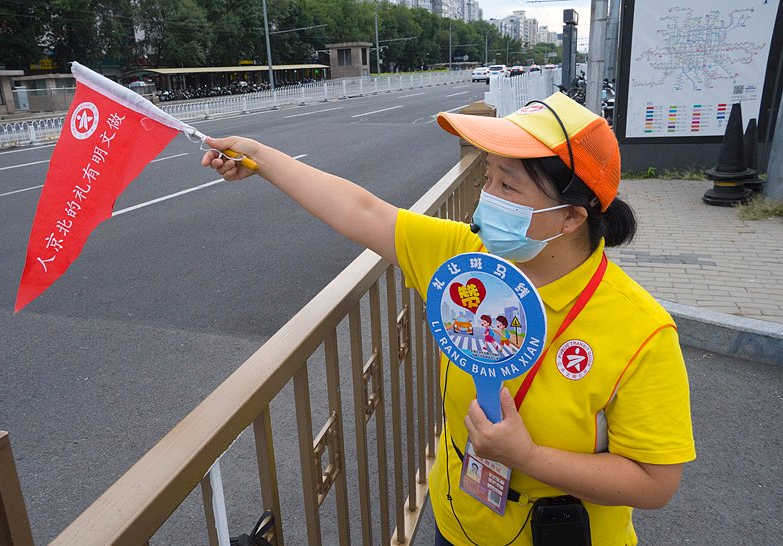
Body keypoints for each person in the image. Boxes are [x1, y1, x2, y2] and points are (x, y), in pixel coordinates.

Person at [202, 92, 696, 546]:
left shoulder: (641, 330)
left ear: (571, 217)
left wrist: (528, 458)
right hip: (456, 521)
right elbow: (361, 211)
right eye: (488, 177)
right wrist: (259, 157)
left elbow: (655, 483)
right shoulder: (466, 260)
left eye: (509, 185)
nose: (487, 199)